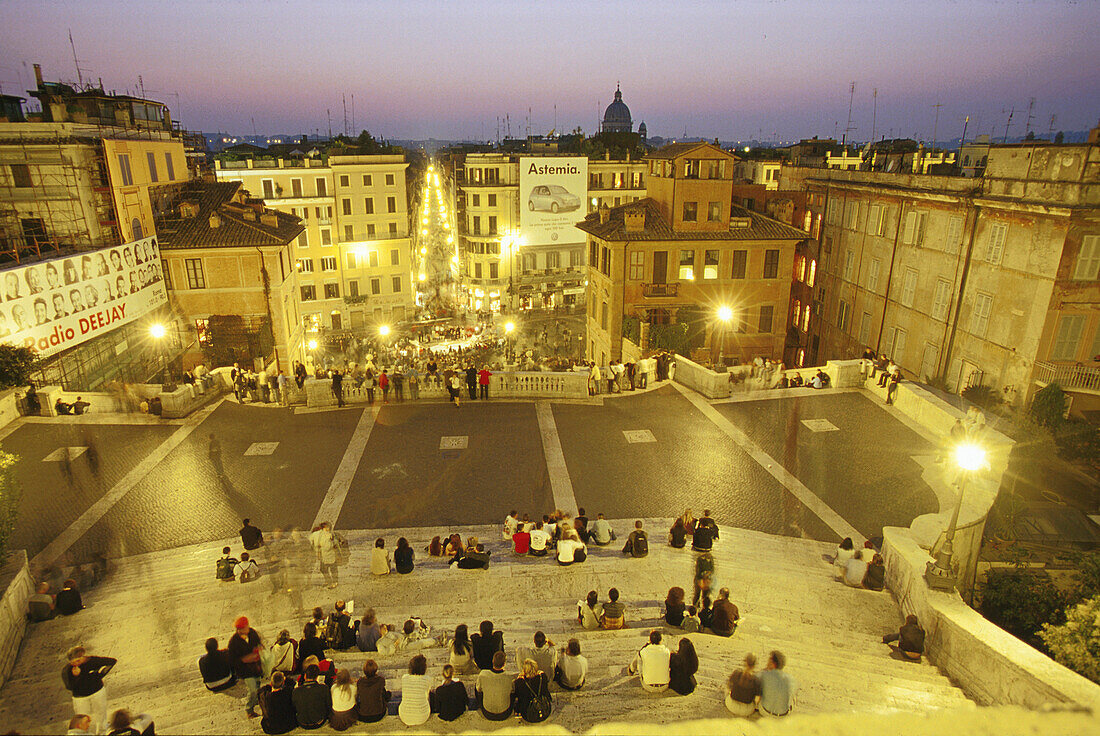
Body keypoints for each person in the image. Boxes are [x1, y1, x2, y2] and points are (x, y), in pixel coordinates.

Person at [62, 645, 116, 733]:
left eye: (78, 660)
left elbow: (112, 661)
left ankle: (102, 732)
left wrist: (99, 675)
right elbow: (69, 686)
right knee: (82, 718)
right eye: (73, 662)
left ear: (83, 656)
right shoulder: (67, 670)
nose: (76, 664)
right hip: (80, 697)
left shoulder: (92, 661)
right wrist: (76, 676)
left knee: (101, 714)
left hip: (97, 692)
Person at [228, 616, 265, 718]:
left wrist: (259, 649)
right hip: (246, 671)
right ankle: (249, 709)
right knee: (252, 689)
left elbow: (258, 643)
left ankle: (256, 699)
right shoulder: (233, 643)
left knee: (257, 684)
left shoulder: (252, 633)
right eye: (245, 627)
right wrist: (244, 659)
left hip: (256, 667)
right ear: (239, 630)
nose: (248, 628)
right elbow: (232, 661)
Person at [476, 650, 513, 720]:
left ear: (492, 661)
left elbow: (478, 689)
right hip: (505, 713)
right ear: (504, 664)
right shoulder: (509, 677)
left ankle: (479, 705)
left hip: (487, 713)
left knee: (478, 686)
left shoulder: (483, 674)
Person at [758, 650, 797, 716]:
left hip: (766, 713)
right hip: (783, 715)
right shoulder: (789, 678)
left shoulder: (764, 675)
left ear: (772, 664)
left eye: (769, 661)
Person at [291, 663, 331, 729]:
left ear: (305, 676)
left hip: (302, 723)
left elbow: (294, 707)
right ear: (317, 677)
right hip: (319, 722)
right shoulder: (324, 688)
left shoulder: (296, 691)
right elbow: (328, 705)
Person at [513, 657, 552, 723]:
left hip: (527, 715)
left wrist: (519, 678)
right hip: (545, 711)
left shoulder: (519, 682)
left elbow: (518, 697)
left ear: (524, 670)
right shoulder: (542, 677)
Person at [259, 670, 297, 735]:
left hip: (271, 728)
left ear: (271, 683)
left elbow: (261, 690)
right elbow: (292, 683)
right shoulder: (288, 692)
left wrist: (269, 686)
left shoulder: (265, 697)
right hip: (289, 725)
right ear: (283, 683)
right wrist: (285, 678)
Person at [398, 654, 431, 726]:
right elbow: (427, 695)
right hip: (422, 717)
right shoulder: (427, 679)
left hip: (404, 716)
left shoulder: (404, 678)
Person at [355, 659, 390, 723]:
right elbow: (384, 695)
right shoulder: (381, 680)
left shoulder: (360, 682)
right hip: (379, 715)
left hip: (363, 716)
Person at [310, 522, 339, 588]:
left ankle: (334, 582)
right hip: (324, 556)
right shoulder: (320, 534)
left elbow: (330, 545)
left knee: (333, 569)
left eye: (328, 527)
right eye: (325, 527)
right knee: (323, 569)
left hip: (330, 555)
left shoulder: (330, 535)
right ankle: (328, 581)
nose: (327, 529)